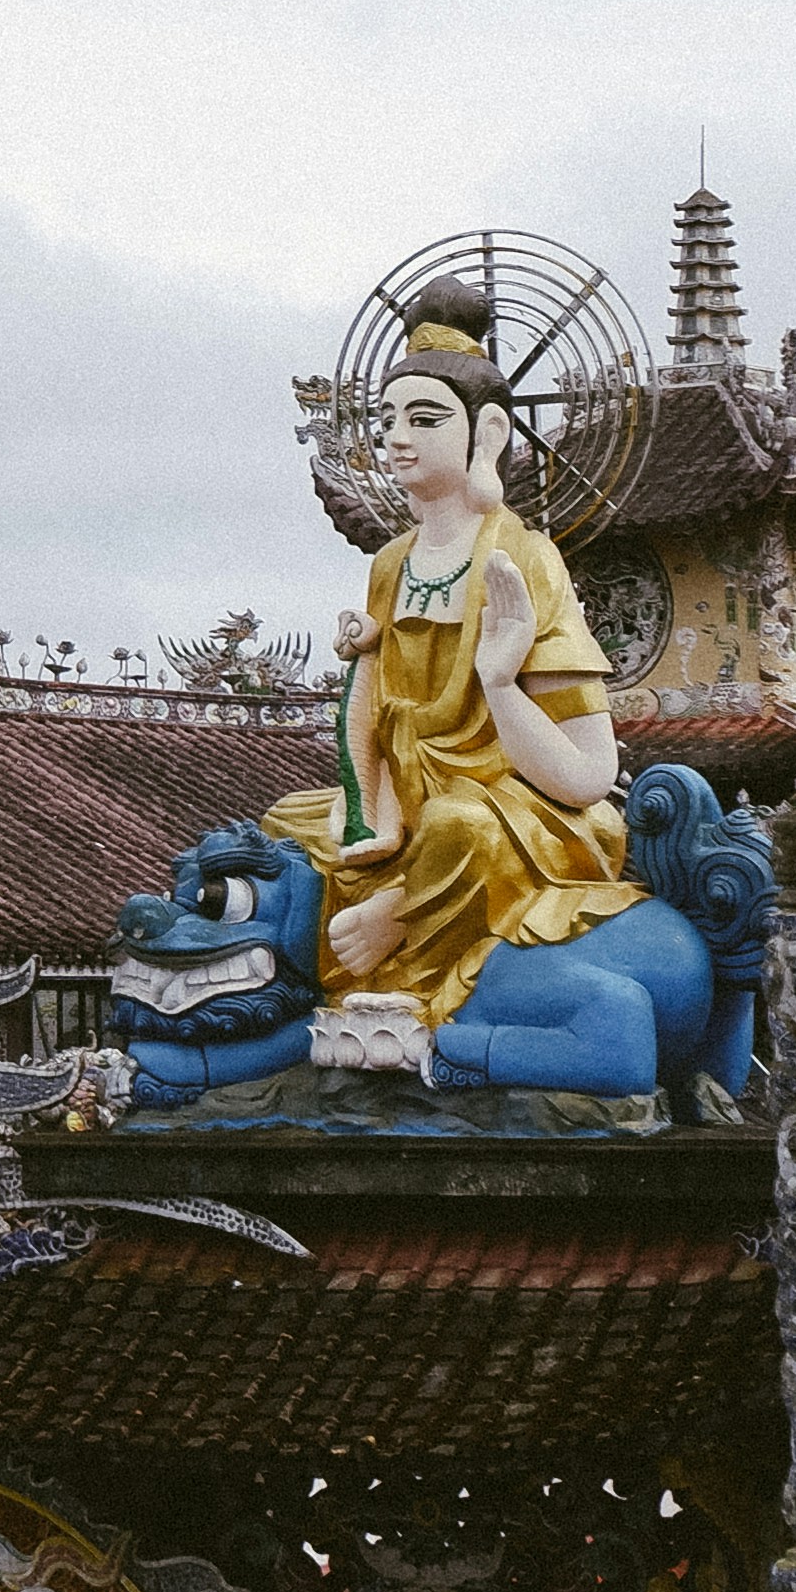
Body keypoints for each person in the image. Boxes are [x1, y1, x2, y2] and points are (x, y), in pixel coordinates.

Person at [272, 281, 646, 1038]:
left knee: (456, 826)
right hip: (400, 805)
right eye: (388, 420)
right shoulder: (389, 566)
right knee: (285, 830)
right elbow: (372, 726)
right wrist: (366, 811)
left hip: (517, 812)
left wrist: (501, 683)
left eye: (426, 418)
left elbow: (588, 775)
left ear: (490, 433)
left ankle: (404, 957)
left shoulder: (524, 559)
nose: (398, 438)